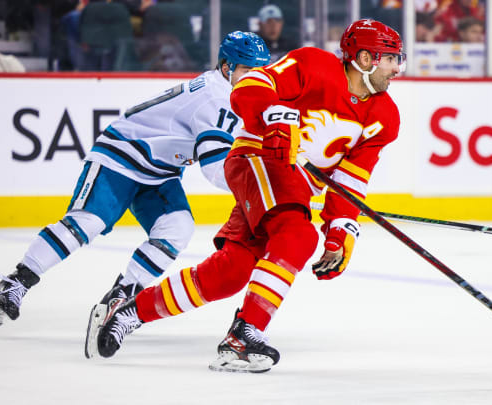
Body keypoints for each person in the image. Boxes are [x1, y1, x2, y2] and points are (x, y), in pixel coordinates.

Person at [95, 18, 405, 373]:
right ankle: (245, 335)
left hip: (291, 187)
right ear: (365, 59)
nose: (397, 68)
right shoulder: (313, 64)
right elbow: (253, 84)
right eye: (391, 58)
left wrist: (339, 230)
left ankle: (131, 311)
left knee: (230, 273)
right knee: (298, 233)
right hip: (258, 157)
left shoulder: (385, 116)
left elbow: (350, 179)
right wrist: (273, 113)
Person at [0, 32, 270, 344]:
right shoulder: (218, 100)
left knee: (178, 227)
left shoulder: (230, 94)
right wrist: (264, 186)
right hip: (120, 156)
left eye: (261, 71)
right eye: (247, 71)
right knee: (87, 223)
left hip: (159, 171)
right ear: (227, 68)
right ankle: (16, 282)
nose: (255, 79)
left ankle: (122, 294)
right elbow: (216, 171)